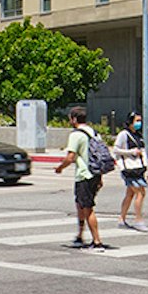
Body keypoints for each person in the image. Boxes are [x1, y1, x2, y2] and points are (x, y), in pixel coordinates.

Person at [53, 105, 107, 249]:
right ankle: (80, 235)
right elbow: (99, 157)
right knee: (80, 205)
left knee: (87, 208)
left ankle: (97, 241)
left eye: (70, 118)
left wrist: (60, 168)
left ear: (74, 119)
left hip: (84, 175)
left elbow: (70, 157)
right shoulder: (94, 133)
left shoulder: (76, 135)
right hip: (94, 174)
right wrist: (100, 177)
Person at [115, 113, 148, 230]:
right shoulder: (123, 134)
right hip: (129, 169)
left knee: (130, 194)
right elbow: (116, 149)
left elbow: (143, 152)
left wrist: (147, 168)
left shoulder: (138, 135)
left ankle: (122, 219)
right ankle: (138, 220)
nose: (139, 123)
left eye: (140, 121)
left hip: (138, 168)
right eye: (137, 121)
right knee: (140, 193)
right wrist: (131, 152)